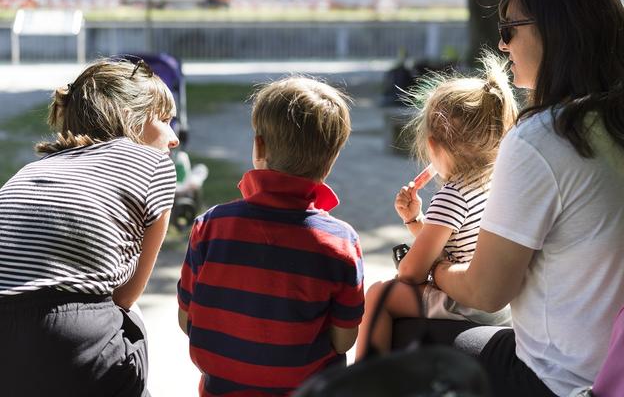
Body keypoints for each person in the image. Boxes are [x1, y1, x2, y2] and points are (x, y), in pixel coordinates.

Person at [429, 0, 624, 397]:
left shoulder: (546, 137)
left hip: (564, 381)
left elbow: (487, 292)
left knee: (412, 336)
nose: (503, 46)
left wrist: (437, 269)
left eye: (509, 29)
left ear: (555, 32)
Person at [0, 58, 178, 397]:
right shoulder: (154, 164)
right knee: (129, 315)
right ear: (130, 117)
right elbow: (125, 296)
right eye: (165, 120)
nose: (173, 138)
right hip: (71, 337)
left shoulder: (30, 171)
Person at [177, 76, 364, 396]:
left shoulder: (210, 227)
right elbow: (344, 339)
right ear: (331, 160)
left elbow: (186, 320)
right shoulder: (340, 243)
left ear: (259, 146)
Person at [355, 54, 517, 360]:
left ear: (432, 145)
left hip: (464, 305)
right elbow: (451, 248)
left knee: (379, 294)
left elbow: (412, 273)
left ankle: (364, 377)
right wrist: (415, 221)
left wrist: (407, 261)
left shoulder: (452, 194)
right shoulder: (494, 183)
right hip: (496, 307)